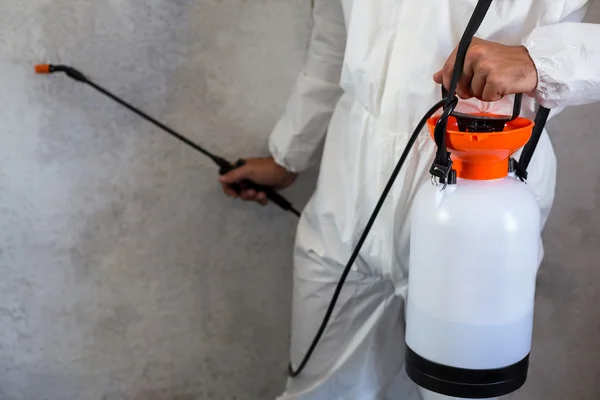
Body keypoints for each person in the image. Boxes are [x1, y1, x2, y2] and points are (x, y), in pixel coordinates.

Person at [220, 1, 600, 399]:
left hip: (482, 199)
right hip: (347, 188)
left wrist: (540, 61)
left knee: (459, 391)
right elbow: (334, 40)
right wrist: (288, 156)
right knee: (320, 391)